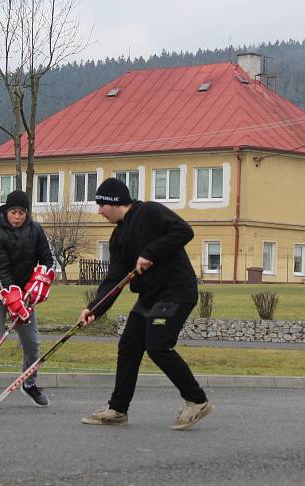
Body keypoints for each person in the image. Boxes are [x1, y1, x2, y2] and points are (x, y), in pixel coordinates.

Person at [77, 177, 213, 430]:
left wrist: (151, 252)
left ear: (113, 202)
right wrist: (94, 309)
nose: (99, 211)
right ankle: (118, 409)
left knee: (158, 346)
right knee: (129, 346)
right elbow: (114, 280)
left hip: (176, 291)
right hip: (149, 297)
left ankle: (197, 400)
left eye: (100, 205)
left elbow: (185, 231)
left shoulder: (149, 212)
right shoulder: (118, 238)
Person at [0, 189, 56, 409]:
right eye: (14, 212)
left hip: (25, 294)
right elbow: (1, 271)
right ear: (7, 211)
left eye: (22, 212)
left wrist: (38, 284)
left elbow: (47, 260)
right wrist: (13, 300)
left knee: (32, 343)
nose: (18, 216)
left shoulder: (36, 230)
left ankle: (29, 384)